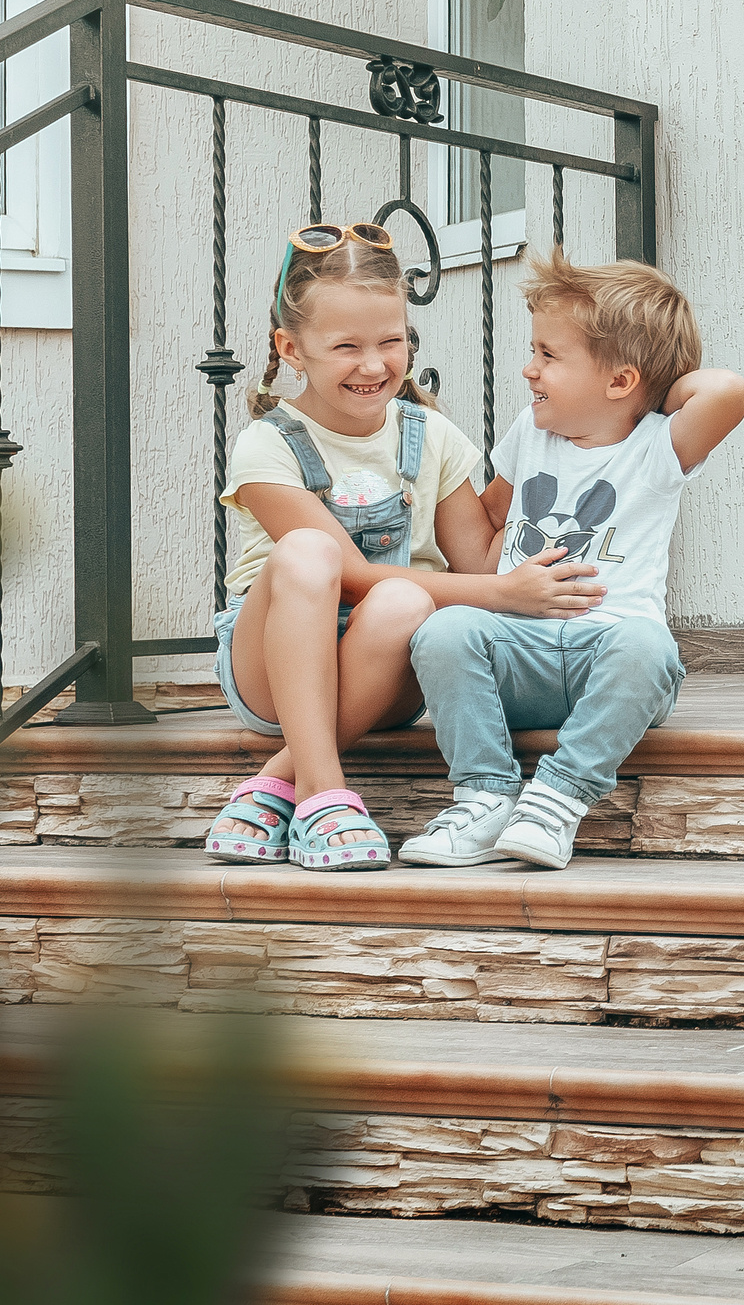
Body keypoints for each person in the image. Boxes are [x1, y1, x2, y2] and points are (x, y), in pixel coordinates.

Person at [202, 222, 605, 871]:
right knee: (315, 558)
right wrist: (503, 592)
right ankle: (326, 793)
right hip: (268, 670)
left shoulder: (431, 435)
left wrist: (550, 436)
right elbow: (358, 576)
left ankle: (278, 784)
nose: (374, 364)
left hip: (385, 670)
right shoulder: (268, 445)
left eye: (391, 342)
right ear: (292, 347)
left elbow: (478, 559)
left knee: (406, 607)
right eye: (346, 347)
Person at [399, 249, 744, 870]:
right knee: (443, 631)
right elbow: (492, 524)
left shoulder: (657, 448)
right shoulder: (530, 431)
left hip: (608, 662)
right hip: (519, 653)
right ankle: (485, 796)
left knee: (649, 648)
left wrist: (658, 393)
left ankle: (558, 798)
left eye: (548, 356)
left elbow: (727, 391)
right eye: (533, 351)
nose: (529, 370)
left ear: (620, 381)